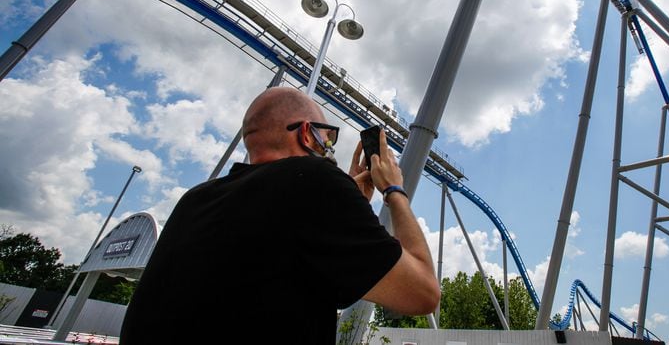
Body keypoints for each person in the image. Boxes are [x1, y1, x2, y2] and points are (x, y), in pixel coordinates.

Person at [120, 87, 440, 344]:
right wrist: (394, 191)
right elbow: (423, 293)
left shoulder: (195, 200)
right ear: (305, 133)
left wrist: (349, 205)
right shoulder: (314, 180)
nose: (328, 147)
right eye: (327, 136)